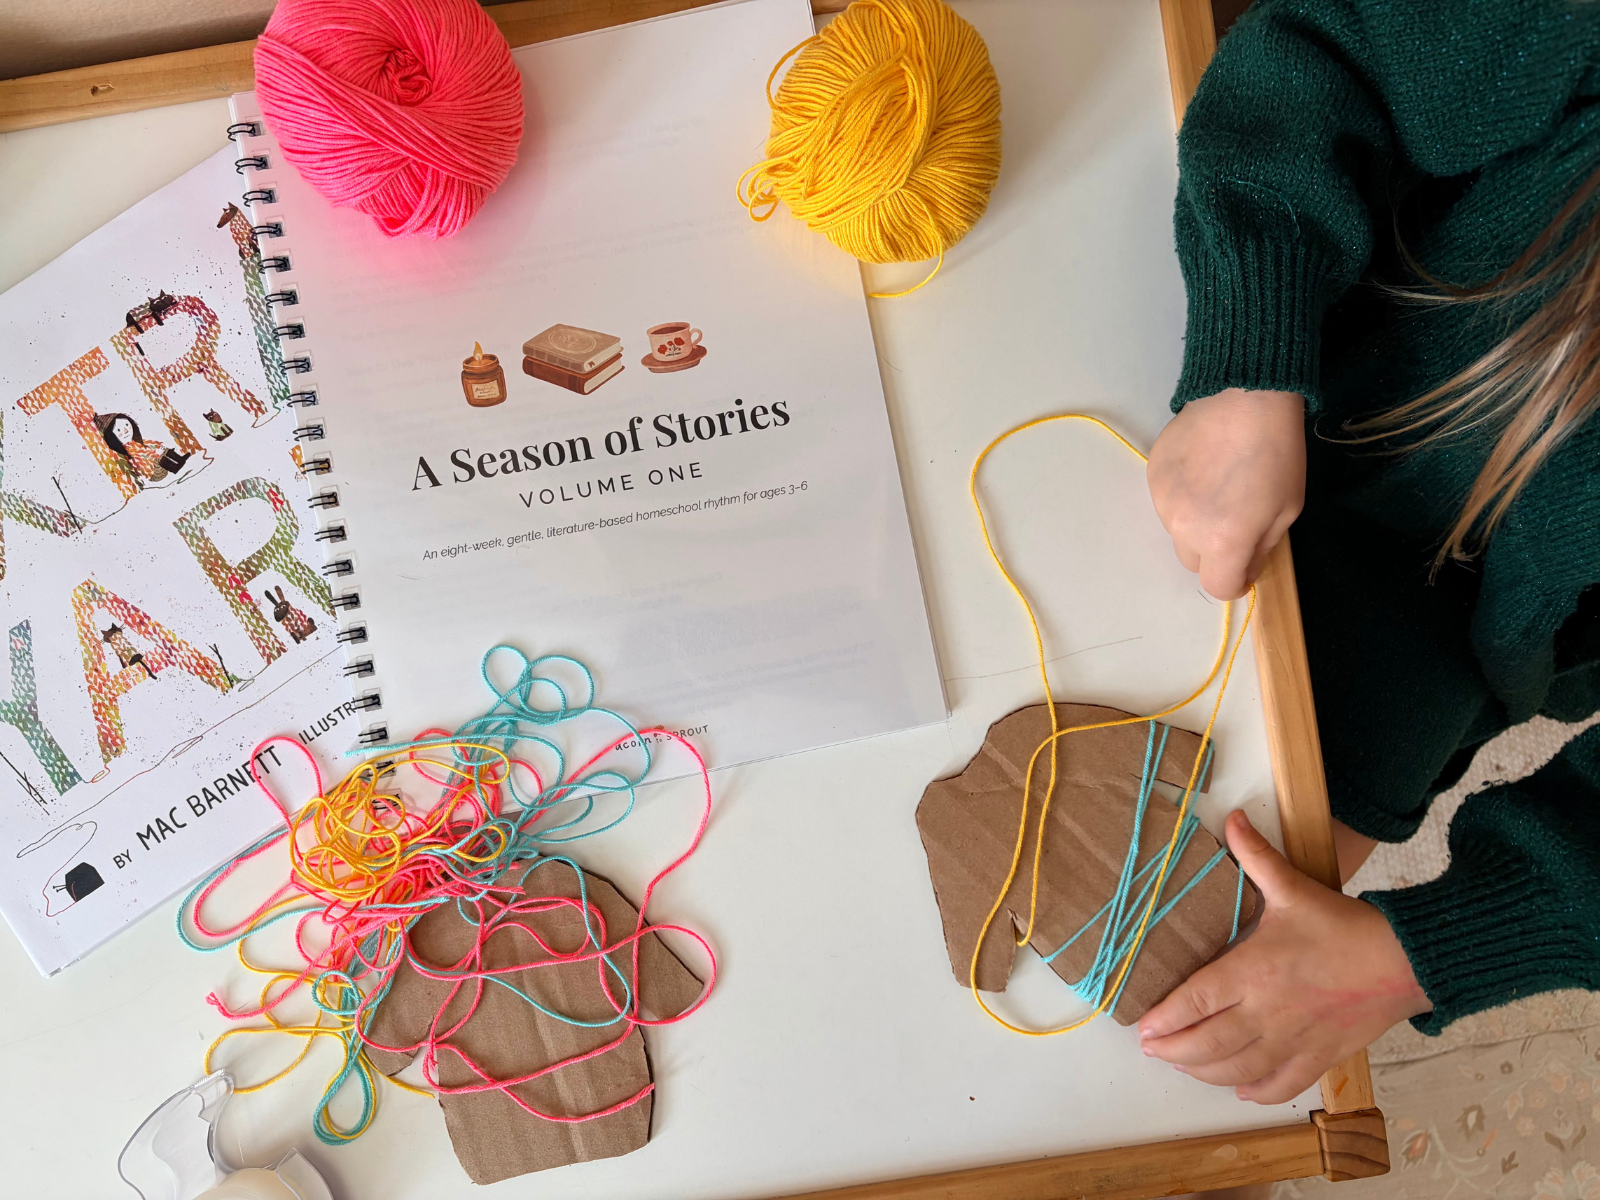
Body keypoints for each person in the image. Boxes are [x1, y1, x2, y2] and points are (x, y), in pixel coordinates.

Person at [1138, 0, 1600, 1105]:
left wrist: (1413, 953)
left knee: (1147, 1006)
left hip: (1430, 649)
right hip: (1264, 328)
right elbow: (1326, 52)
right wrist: (1249, 361)